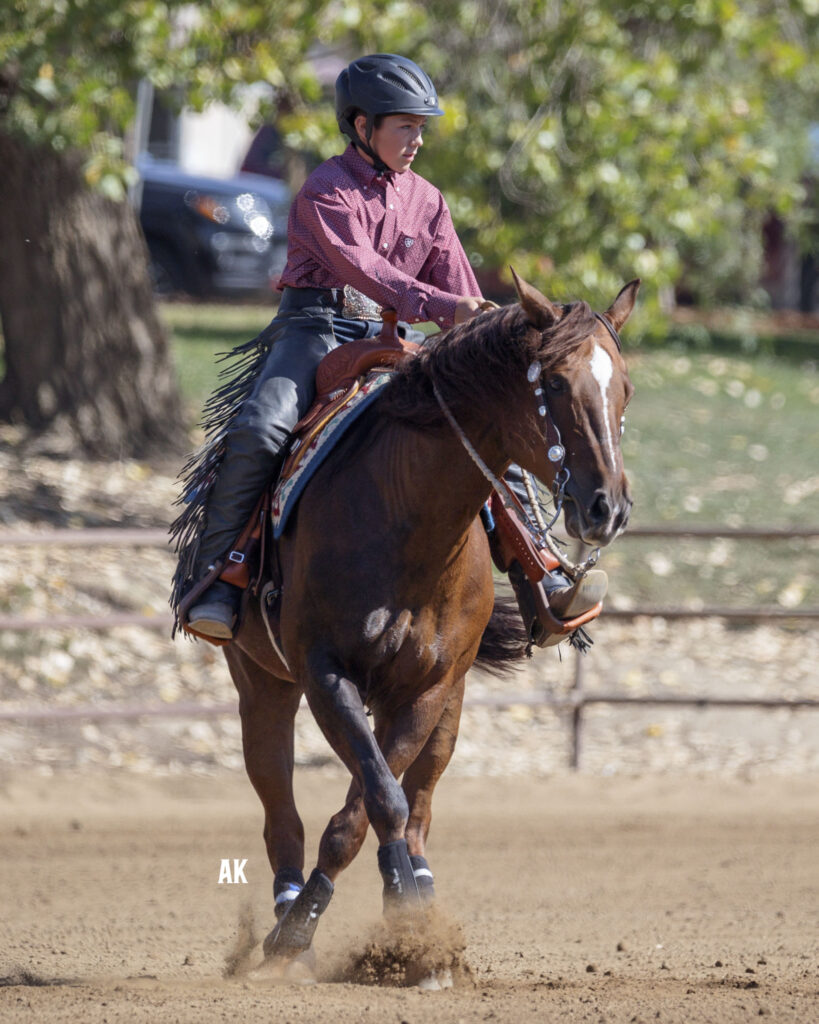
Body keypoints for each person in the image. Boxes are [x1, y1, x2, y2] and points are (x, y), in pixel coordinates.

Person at [181, 53, 606, 643]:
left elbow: (458, 285)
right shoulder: (325, 190)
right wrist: (444, 307)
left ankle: (544, 578)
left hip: (397, 338)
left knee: (487, 427)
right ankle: (217, 577)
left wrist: (482, 331)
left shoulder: (428, 201)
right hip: (314, 329)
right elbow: (366, 270)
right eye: (405, 126)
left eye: (421, 127)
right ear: (362, 126)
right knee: (262, 425)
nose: (417, 140)